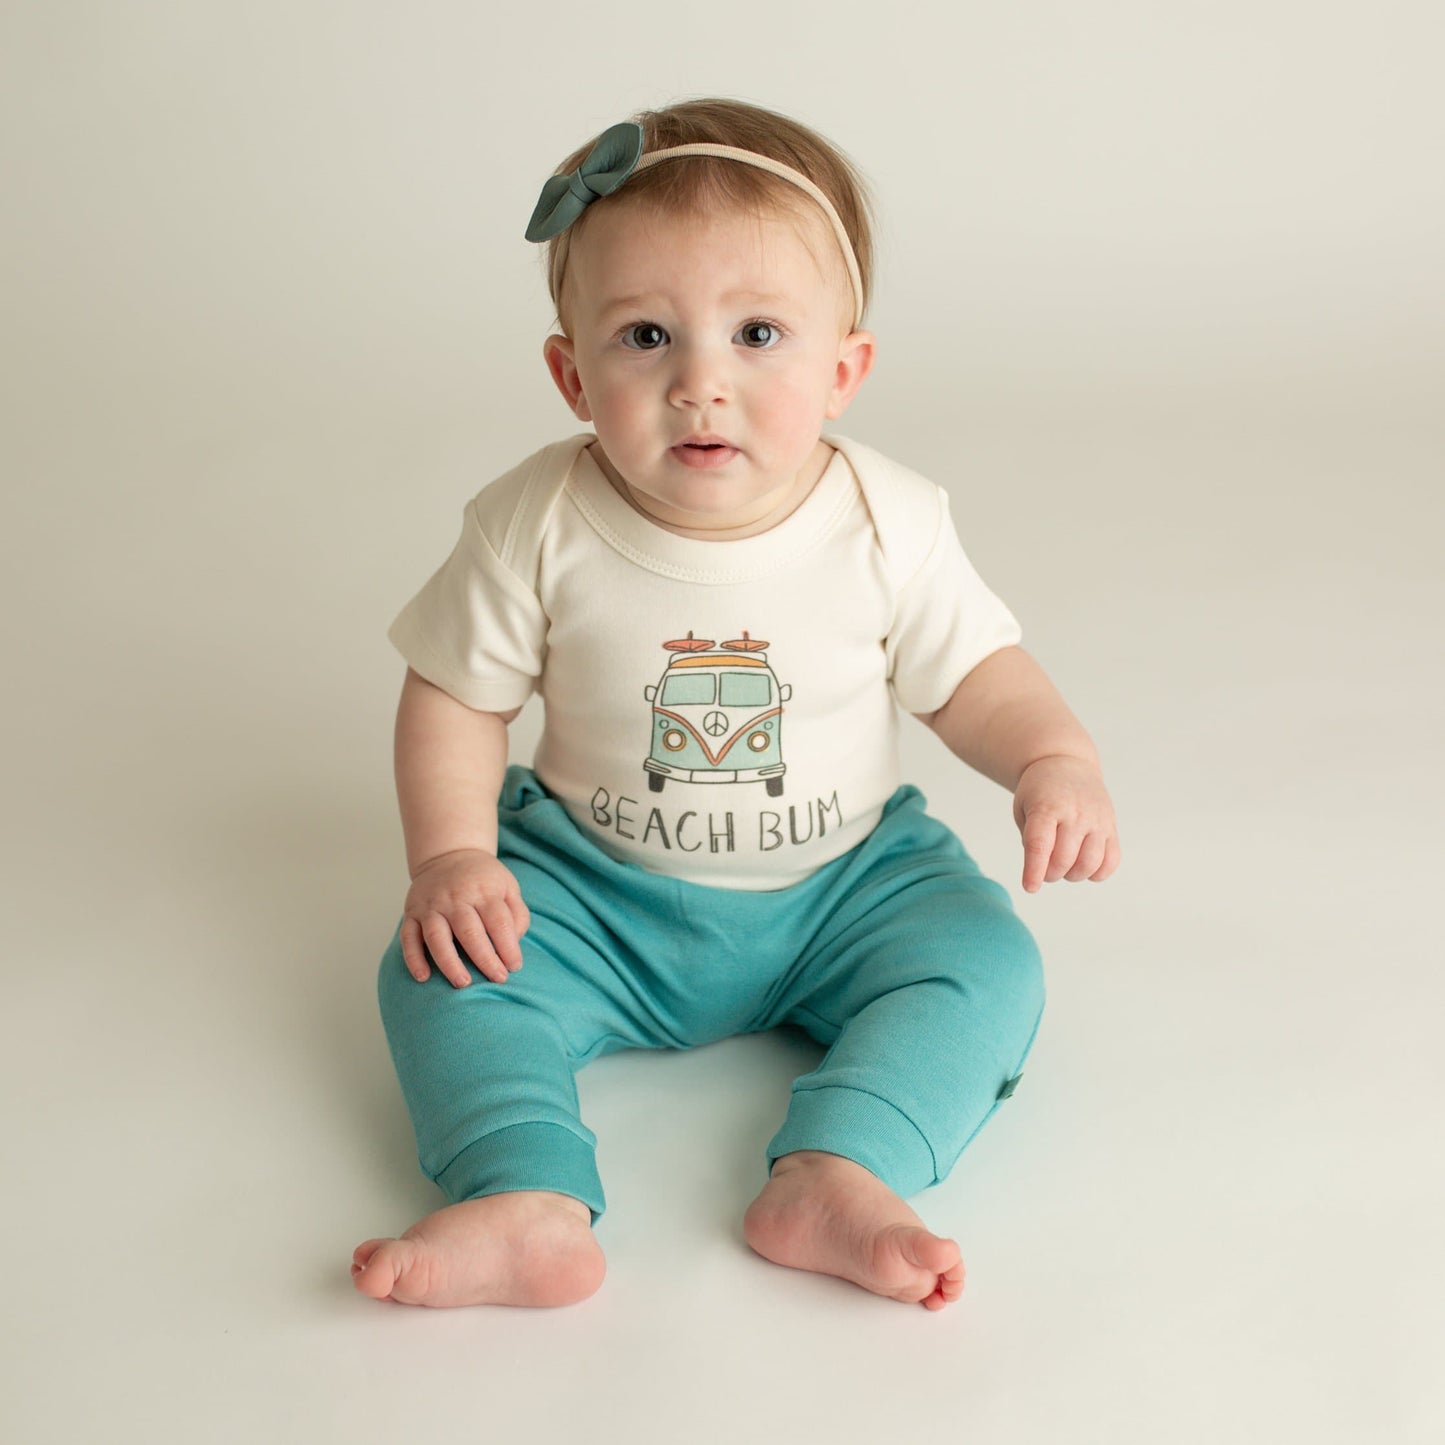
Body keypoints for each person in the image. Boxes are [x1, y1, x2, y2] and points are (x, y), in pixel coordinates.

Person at [350, 98, 1120, 1313]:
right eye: (644, 335)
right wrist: (451, 855)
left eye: (757, 333)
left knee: (985, 963)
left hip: (844, 886)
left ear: (842, 370)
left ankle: (842, 1166)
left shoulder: (888, 520)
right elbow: (454, 692)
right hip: (591, 886)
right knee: (438, 970)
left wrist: (1050, 757)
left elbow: (973, 670)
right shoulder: (533, 522)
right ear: (570, 373)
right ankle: (521, 1191)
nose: (699, 383)